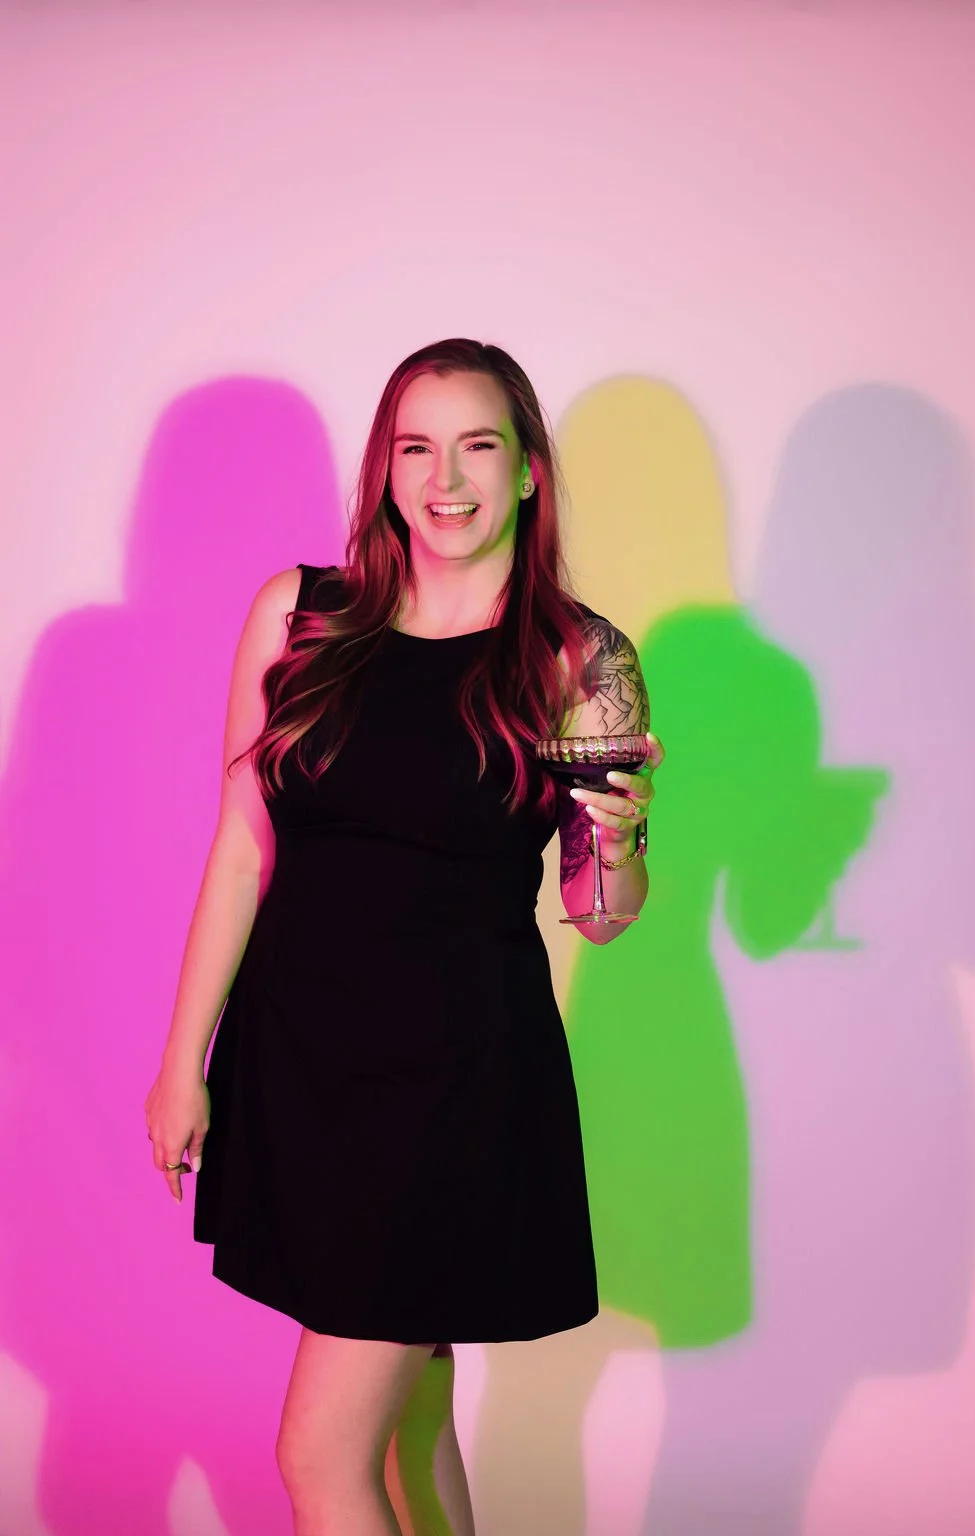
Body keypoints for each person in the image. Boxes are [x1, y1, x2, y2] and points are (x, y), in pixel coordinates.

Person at [144, 337, 665, 1536]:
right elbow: (239, 848)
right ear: (385, 468)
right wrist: (184, 1061)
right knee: (407, 1438)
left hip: (455, 1086)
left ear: (528, 470)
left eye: (478, 444)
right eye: (415, 447)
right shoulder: (300, 616)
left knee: (317, 1456)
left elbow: (599, 911)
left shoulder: (582, 658)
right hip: (301, 1064)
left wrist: (623, 841)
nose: (446, 478)